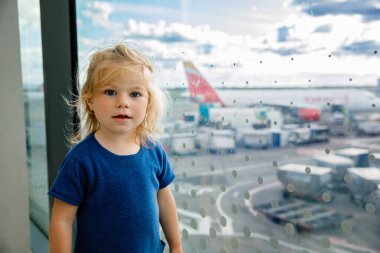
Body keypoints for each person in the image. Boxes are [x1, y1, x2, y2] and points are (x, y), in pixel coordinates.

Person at [48, 43, 183, 253]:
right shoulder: (81, 160)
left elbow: (165, 201)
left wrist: (176, 245)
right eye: (110, 92)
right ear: (90, 100)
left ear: (148, 103)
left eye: (135, 94)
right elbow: (62, 220)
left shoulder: (153, 150)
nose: (123, 102)